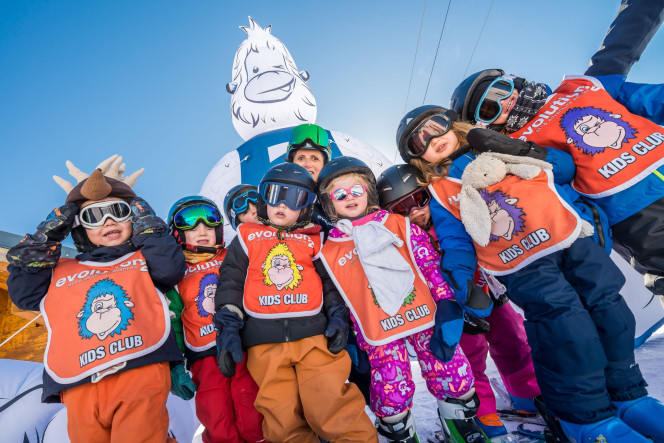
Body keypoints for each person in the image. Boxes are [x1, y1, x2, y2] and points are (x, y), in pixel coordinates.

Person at [396, 105, 664, 442]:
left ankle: (628, 394)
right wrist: (463, 284)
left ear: (453, 124)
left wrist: (523, 149)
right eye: (417, 142)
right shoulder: (442, 188)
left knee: (611, 310)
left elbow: (564, 169)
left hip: (571, 238)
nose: (430, 139)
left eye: (434, 126)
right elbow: (454, 239)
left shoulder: (501, 144)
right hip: (520, 259)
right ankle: (585, 418)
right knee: (565, 324)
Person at [317, 156, 491, 443]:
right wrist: (345, 327)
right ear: (329, 202)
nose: (350, 197)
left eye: (356, 190)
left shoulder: (398, 224)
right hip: (378, 328)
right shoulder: (332, 247)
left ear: (369, 192)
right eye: (340, 193)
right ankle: (400, 431)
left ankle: (459, 421)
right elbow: (339, 291)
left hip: (422, 313)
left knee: (447, 364)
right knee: (389, 383)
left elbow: (428, 264)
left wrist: (446, 302)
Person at [450, 66, 664, 298]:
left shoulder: (574, 91)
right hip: (634, 214)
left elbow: (648, 97)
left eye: (499, 91)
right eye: (490, 109)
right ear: (486, 125)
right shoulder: (514, 146)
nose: (503, 103)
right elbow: (558, 177)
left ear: (512, 81)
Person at [7, 166, 186, 443]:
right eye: (94, 215)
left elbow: (169, 268)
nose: (109, 221)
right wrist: (45, 240)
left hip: (138, 369)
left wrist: (149, 226)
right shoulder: (61, 269)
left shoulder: (144, 259)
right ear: (78, 227)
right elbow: (23, 294)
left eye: (119, 210)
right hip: (80, 380)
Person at [213, 162, 377, 443]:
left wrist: (338, 316)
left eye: (295, 199)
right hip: (264, 346)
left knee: (331, 405)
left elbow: (329, 282)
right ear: (264, 198)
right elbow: (231, 282)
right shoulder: (247, 237)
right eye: (275, 193)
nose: (282, 205)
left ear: (305, 207)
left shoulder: (313, 239)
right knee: (282, 419)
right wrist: (227, 327)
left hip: (314, 338)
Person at [376, 163, 541, 439]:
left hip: (486, 292)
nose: (414, 211)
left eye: (418, 199)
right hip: (451, 310)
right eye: (401, 208)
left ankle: (527, 391)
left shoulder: (454, 213)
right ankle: (481, 412)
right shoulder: (404, 239)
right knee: (469, 355)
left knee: (512, 339)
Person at [166, 195, 264, 443]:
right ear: (176, 234)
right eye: (192, 226)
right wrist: (175, 366)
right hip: (204, 359)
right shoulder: (175, 274)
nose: (202, 231)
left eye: (209, 225)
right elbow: (175, 323)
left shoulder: (234, 256)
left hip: (243, 350)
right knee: (217, 416)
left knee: (253, 411)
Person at [285, 123, 337, 234]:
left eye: (315, 158)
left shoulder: (338, 197)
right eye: (301, 158)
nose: (307, 164)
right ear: (292, 163)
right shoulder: (276, 197)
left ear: (324, 165)